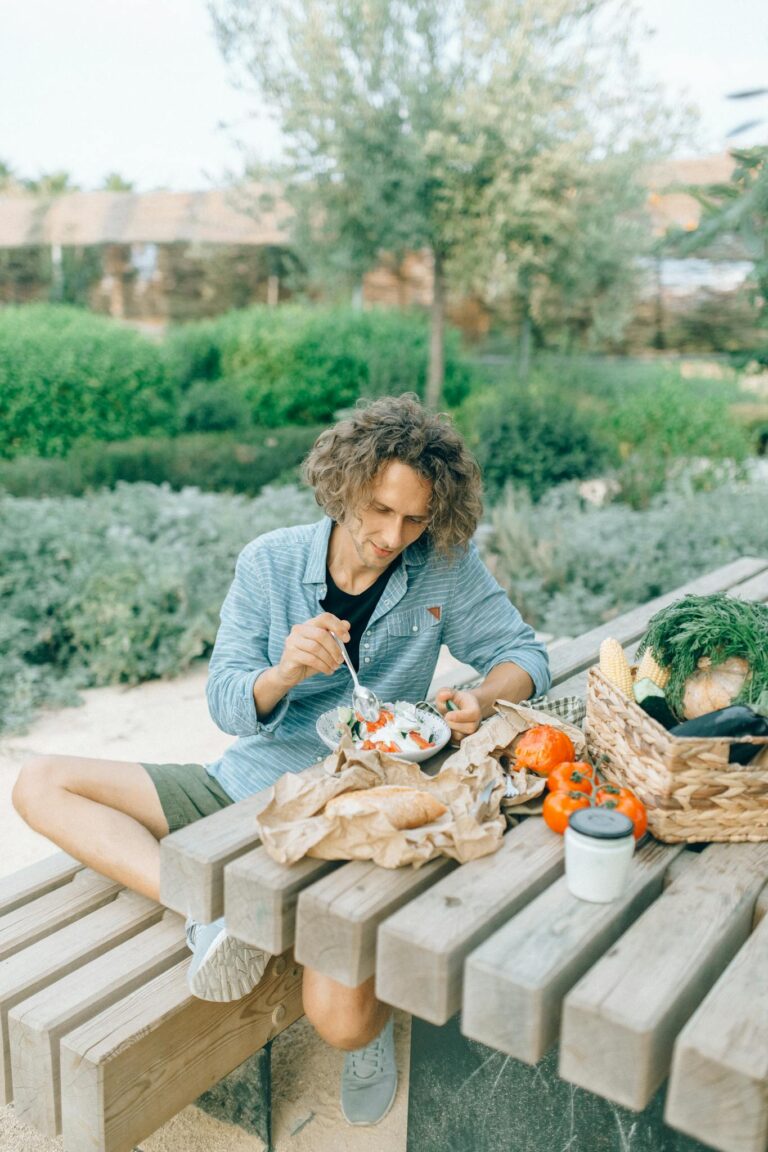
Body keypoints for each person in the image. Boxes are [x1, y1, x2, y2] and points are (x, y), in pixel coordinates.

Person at [13, 394, 550, 1127]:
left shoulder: (444, 568)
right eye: (378, 511)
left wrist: (484, 698)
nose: (392, 536)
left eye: (414, 518)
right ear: (343, 487)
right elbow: (228, 704)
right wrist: (282, 674)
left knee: (340, 1022)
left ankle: (340, 995)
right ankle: (203, 909)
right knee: (40, 780)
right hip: (246, 788)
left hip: (362, 803)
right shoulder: (268, 563)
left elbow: (524, 654)